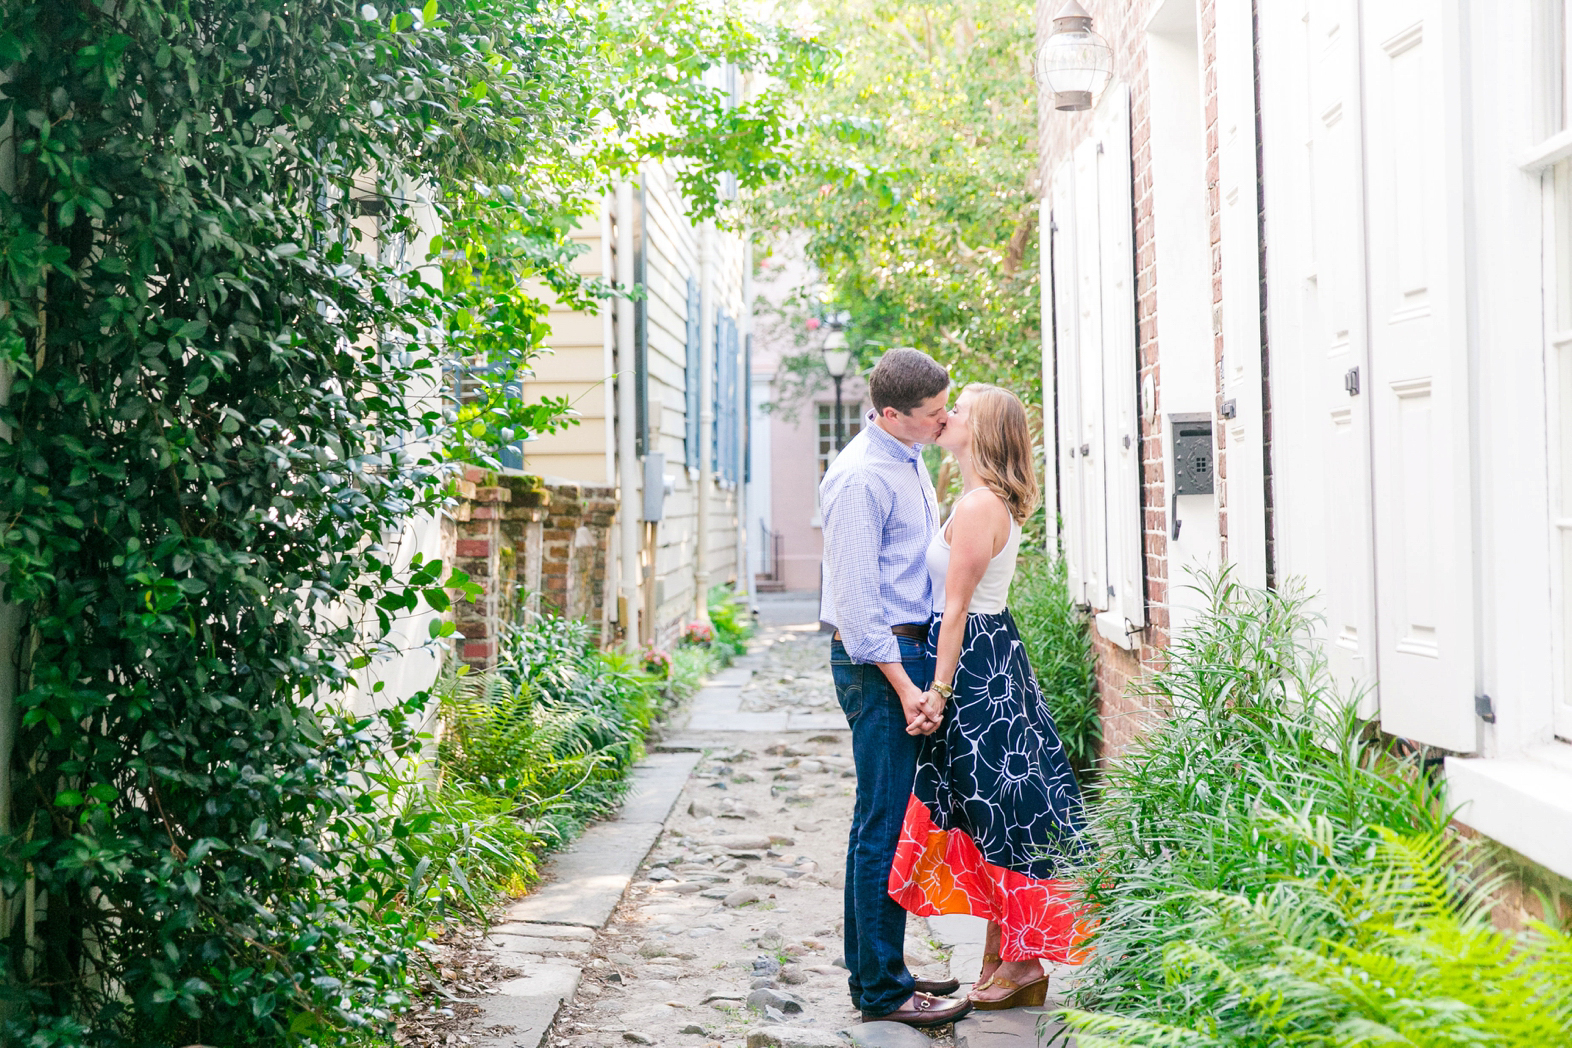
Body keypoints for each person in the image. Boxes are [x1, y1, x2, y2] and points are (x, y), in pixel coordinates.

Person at [887, 384, 1093, 1010]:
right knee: (984, 808)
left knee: (1001, 807)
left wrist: (937, 691)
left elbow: (955, 609)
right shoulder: (973, 498)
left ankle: (1025, 961)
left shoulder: (980, 505)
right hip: (982, 656)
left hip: (979, 663)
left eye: (962, 411)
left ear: (984, 431)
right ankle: (1002, 954)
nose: (948, 416)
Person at [820, 348, 973, 1029]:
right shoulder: (859, 479)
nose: (944, 421)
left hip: (905, 652)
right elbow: (856, 607)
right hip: (880, 662)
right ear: (890, 414)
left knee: (882, 819)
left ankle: (881, 972)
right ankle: (881, 990)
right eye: (933, 413)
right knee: (881, 823)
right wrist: (907, 686)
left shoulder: (907, 459)